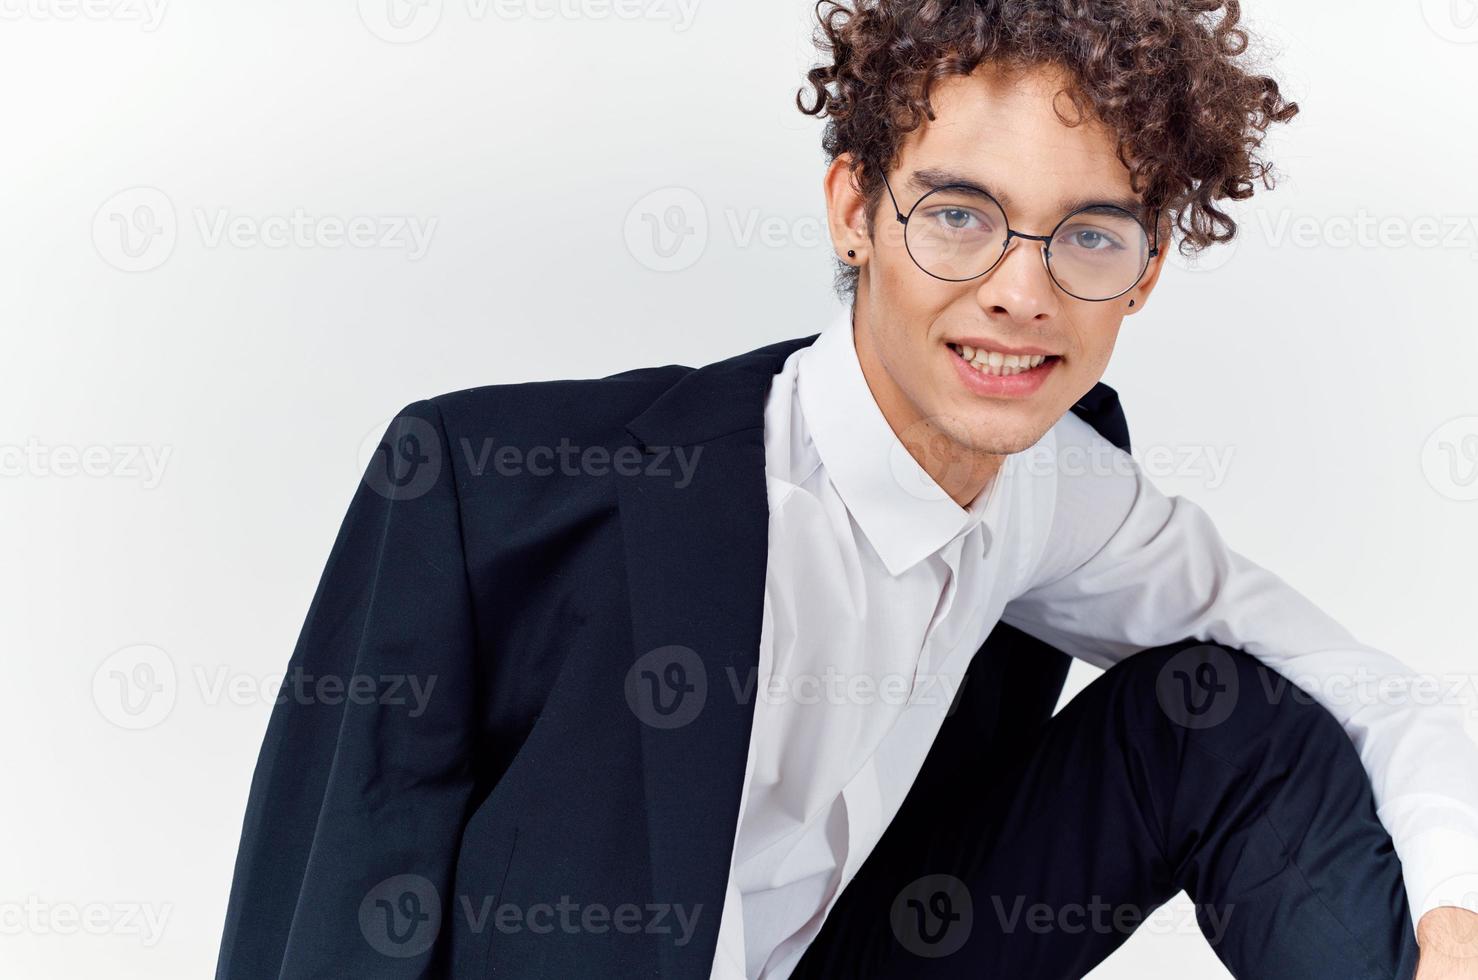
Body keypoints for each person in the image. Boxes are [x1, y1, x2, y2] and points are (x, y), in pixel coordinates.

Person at [215, 2, 1478, 977]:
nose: (1019, 291)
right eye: (959, 215)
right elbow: (323, 908)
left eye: (1088, 234)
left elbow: (1355, 684)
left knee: (1229, 718)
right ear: (852, 213)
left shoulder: (1058, 484)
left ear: (1140, 275)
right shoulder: (484, 487)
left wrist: (1453, 919)